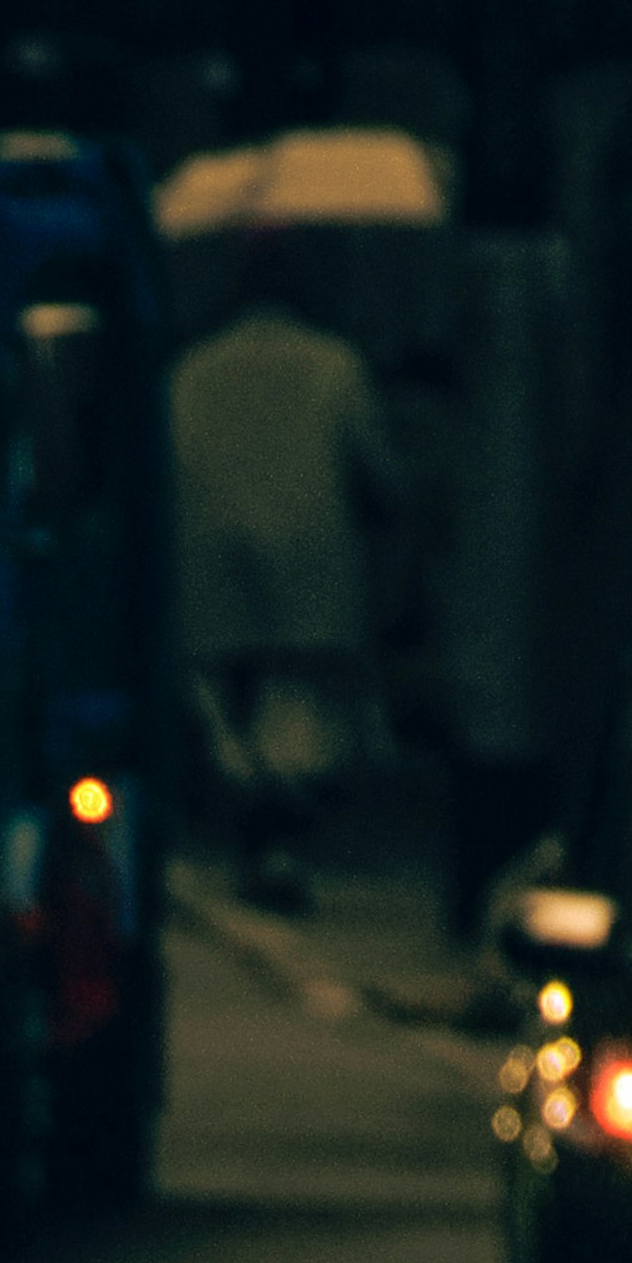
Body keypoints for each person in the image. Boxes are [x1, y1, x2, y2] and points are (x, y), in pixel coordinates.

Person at [170, 234, 409, 911]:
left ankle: (258, 848)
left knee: (233, 730)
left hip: (212, 579)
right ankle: (281, 850)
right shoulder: (334, 366)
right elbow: (375, 469)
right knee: (300, 731)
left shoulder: (191, 372)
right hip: (310, 581)